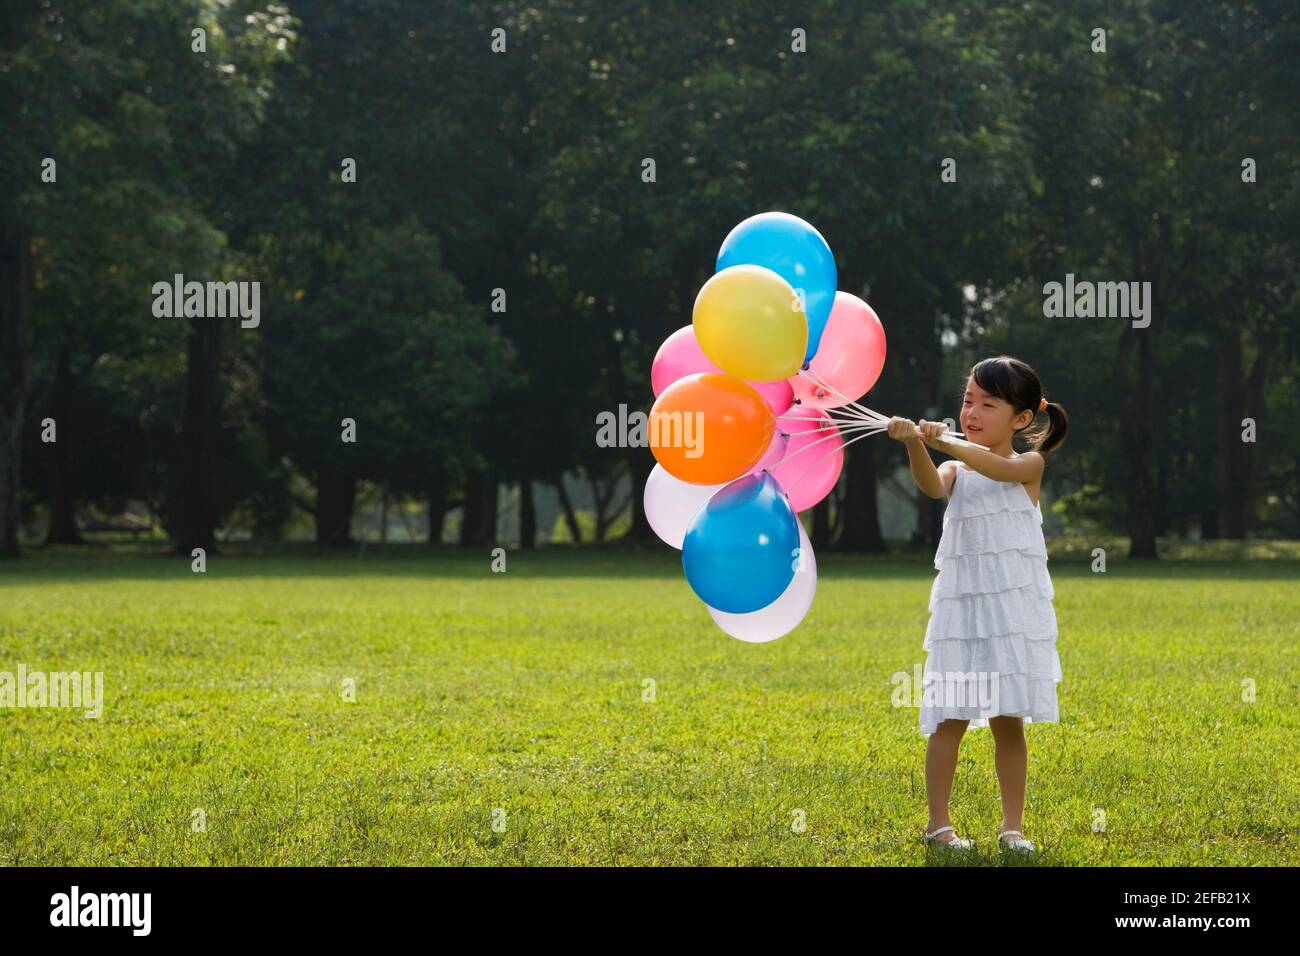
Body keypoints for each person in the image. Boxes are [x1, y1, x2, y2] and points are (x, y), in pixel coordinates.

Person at [887, 355, 1069, 854]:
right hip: (963, 614)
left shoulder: (1027, 465)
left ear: (1022, 418)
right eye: (968, 401)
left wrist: (942, 438)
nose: (972, 412)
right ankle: (938, 825)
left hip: (1010, 616)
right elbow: (929, 485)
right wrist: (914, 446)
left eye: (988, 404)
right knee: (951, 719)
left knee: (1009, 720)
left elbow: (996, 466)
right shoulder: (954, 467)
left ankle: (1013, 826)